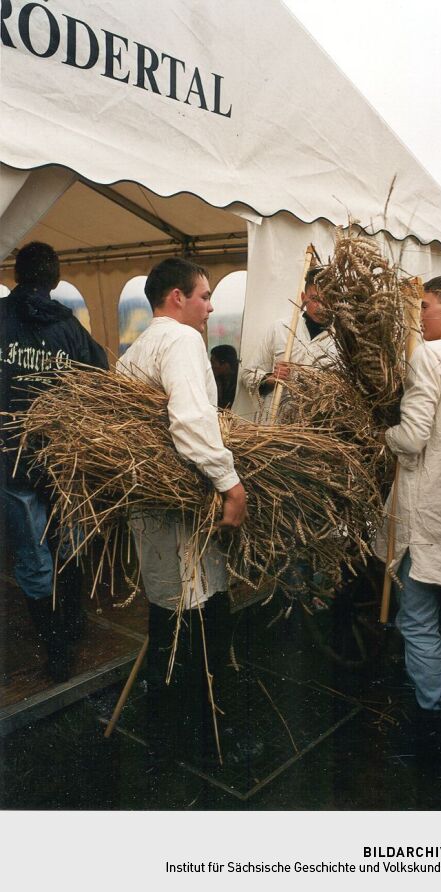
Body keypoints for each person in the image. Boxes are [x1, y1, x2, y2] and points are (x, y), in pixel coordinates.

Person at [116, 257, 250, 761]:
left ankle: (167, 736)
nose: (210, 305)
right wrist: (231, 483)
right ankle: (208, 742)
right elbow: (191, 422)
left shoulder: (135, 352)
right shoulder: (181, 340)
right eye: (204, 295)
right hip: (184, 513)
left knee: (168, 613)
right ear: (177, 297)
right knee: (199, 617)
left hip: (153, 512)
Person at [374, 276, 441, 732]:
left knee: (418, 618)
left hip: (425, 508)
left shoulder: (430, 357)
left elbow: (414, 437)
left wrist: (384, 433)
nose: (419, 315)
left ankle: (430, 711)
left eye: (426, 306)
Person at [0, 241, 108, 681]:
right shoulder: (69, 325)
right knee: (68, 542)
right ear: (56, 278)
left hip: (11, 459)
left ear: (17, 275)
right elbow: (100, 377)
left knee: (31, 553)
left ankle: (52, 648)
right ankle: (72, 630)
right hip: (62, 459)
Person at [240, 266, 337, 420]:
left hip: (319, 430)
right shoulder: (280, 329)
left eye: (327, 300)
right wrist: (272, 378)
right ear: (303, 297)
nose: (321, 307)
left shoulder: (340, 341)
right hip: (277, 426)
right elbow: (248, 374)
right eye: (315, 299)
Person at [210, 344, 239, 409]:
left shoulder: (238, 380)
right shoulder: (217, 379)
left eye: (213, 362)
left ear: (225, 364)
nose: (211, 366)